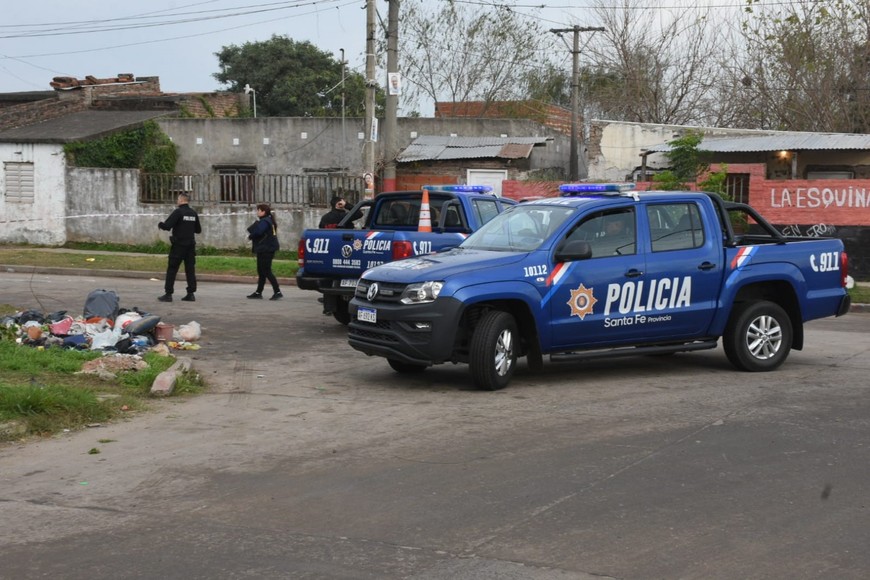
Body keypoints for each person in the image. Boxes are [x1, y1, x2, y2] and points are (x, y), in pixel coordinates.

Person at [157, 193, 201, 302]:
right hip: (190, 246)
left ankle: (168, 294)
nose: (177, 201)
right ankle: (190, 293)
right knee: (190, 269)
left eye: (177, 199)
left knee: (172, 269)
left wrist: (160, 224)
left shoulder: (178, 212)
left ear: (181, 200)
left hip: (179, 246)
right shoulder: (193, 213)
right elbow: (198, 230)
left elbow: (167, 226)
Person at [246, 203, 283, 300]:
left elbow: (258, 232)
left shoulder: (265, 221)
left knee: (266, 271)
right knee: (261, 271)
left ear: (263, 211)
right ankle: (258, 292)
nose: (257, 212)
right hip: (265, 248)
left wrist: (251, 236)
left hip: (266, 249)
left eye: (259, 210)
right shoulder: (268, 220)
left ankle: (277, 291)